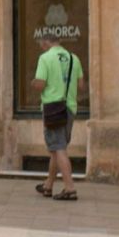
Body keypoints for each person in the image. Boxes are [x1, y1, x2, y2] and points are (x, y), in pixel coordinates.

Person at [33, 34, 86, 201]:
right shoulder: (73, 58)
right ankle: (48, 185)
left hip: (53, 108)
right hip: (70, 107)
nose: (41, 47)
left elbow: (40, 84)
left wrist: (33, 83)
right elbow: (81, 85)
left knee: (59, 148)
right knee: (57, 148)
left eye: (42, 44)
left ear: (47, 42)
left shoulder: (45, 58)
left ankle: (70, 188)